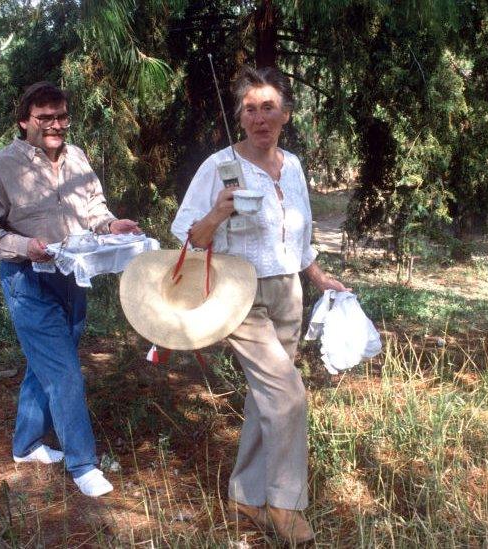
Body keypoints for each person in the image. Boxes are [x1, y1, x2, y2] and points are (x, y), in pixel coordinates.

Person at [171, 66, 349, 544]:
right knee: (288, 395)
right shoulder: (218, 166)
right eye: (250, 109)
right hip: (238, 294)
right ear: (240, 117)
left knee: (267, 396)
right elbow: (186, 234)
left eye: (268, 107)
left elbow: (300, 233)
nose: (259, 117)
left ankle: (246, 496)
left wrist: (316, 276)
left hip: (287, 290)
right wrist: (218, 210)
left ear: (285, 115)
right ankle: (286, 506)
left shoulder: (292, 166)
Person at [0, 81, 140, 497]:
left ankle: (25, 446)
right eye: (45, 118)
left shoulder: (77, 156)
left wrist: (112, 224)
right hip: (28, 279)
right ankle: (83, 464)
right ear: (24, 121)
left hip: (73, 277)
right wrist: (25, 247)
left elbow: (93, 207)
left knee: (46, 363)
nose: (55, 125)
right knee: (64, 373)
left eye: (61, 116)